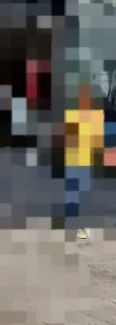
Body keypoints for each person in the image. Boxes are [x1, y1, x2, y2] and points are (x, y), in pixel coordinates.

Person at [63, 83, 105, 240]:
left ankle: (77, 225)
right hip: (82, 160)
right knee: (81, 194)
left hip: (76, 159)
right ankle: (79, 226)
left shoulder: (73, 113)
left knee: (75, 193)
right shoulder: (94, 115)